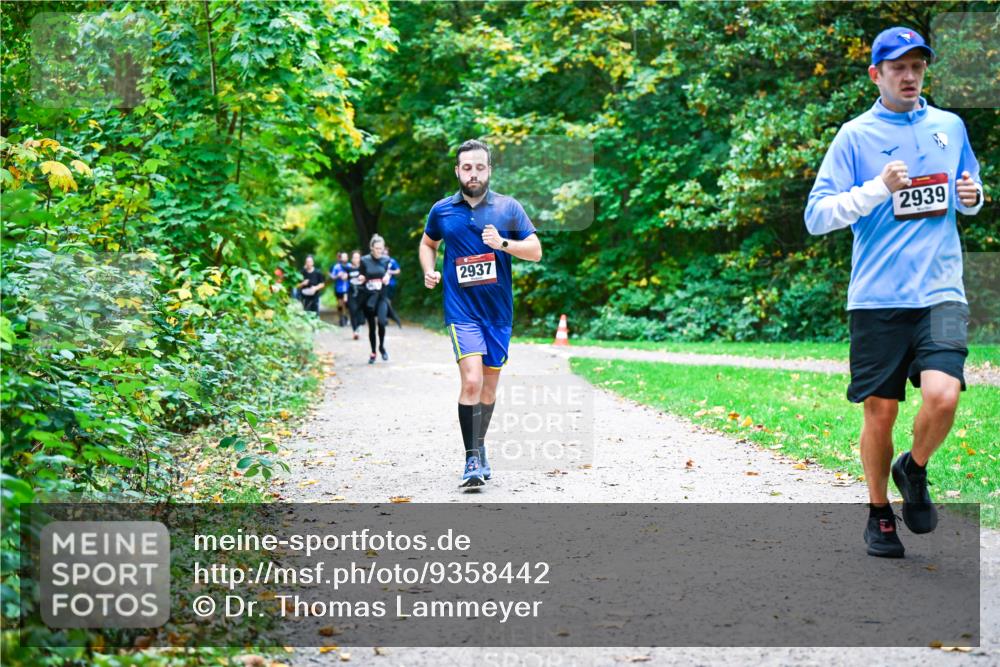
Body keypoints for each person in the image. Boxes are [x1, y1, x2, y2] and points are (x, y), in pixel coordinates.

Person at [804, 27, 984, 558]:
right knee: (880, 413)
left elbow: (967, 188)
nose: (909, 76)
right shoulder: (855, 136)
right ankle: (879, 512)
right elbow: (817, 216)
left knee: (944, 395)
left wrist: (973, 197)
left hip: (944, 291)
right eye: (898, 68)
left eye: (917, 67)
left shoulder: (949, 126)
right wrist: (876, 188)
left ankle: (916, 466)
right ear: (876, 74)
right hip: (877, 299)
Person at [419, 139, 542, 487]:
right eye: (467, 167)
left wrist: (502, 243)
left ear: (489, 169)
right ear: (457, 171)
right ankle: (471, 458)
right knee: (470, 381)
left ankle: (480, 445)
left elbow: (535, 251)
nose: (473, 173)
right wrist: (429, 269)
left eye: (480, 167)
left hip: (498, 312)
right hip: (461, 310)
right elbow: (428, 243)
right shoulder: (442, 210)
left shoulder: (508, 208)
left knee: (488, 389)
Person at [358, 235, 393, 364]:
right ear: (371, 248)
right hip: (369, 297)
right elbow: (361, 274)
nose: (379, 251)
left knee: (382, 322)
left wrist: (387, 277)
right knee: (371, 326)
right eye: (377, 248)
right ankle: (373, 352)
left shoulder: (386, 260)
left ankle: (382, 347)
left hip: (382, 296)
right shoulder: (364, 260)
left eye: (381, 249)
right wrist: (362, 278)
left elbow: (387, 272)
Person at [329, 252, 351, 327]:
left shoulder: (350, 266)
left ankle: (345, 317)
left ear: (347, 258)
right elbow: (332, 277)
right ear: (340, 258)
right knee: (340, 304)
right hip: (339, 288)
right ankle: (341, 317)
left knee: (346, 302)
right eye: (343, 257)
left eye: (346, 257)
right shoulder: (337, 267)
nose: (344, 259)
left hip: (348, 288)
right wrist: (338, 276)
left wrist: (348, 275)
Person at [346, 250, 364, 340]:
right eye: (354, 257)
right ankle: (355, 331)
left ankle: (359, 326)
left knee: (360, 311)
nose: (356, 259)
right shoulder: (348, 269)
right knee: (353, 311)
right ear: (351, 259)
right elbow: (344, 277)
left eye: (357, 257)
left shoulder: (363, 268)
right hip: (351, 292)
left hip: (361, 293)